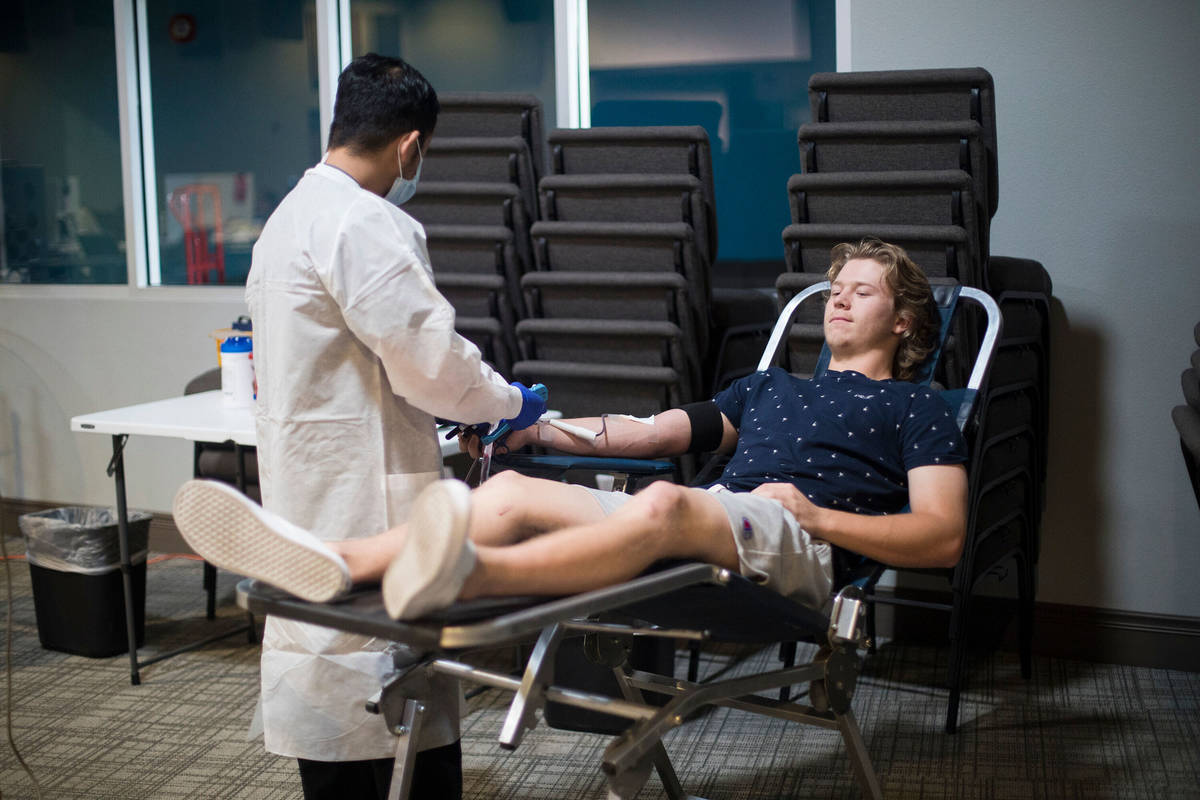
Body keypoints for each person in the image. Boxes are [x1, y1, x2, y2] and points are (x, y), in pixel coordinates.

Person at [176, 238, 967, 633]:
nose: (836, 301)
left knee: (666, 506)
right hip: (714, 524)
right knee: (517, 489)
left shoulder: (920, 408)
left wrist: (815, 515)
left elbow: (942, 538)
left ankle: (463, 578)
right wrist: (541, 428)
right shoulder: (770, 386)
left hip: (799, 554)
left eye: (860, 292)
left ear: (902, 322)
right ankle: (335, 563)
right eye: (833, 289)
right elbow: (652, 431)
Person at [232, 53, 545, 800]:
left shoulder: (286, 218)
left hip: (308, 479)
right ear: (410, 145)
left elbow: (365, 367)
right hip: (365, 490)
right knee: (388, 688)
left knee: (332, 671)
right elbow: (430, 361)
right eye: (422, 154)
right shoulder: (363, 221)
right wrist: (509, 404)